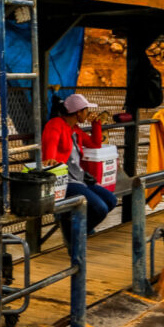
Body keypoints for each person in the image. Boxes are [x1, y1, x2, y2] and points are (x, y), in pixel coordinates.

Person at [42, 92, 117, 235]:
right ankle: (74, 235)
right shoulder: (55, 124)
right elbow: (50, 145)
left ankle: (79, 230)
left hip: (79, 179)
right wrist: (50, 158)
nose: (88, 113)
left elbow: (95, 144)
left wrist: (96, 124)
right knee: (100, 208)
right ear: (78, 112)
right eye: (86, 110)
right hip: (65, 182)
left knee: (111, 200)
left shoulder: (75, 129)